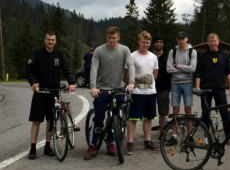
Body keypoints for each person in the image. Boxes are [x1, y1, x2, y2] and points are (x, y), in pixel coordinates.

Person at [85, 26, 135, 160]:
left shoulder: (124, 50)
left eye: (114, 38)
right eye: (109, 38)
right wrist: (93, 87)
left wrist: (131, 83)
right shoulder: (99, 51)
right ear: (106, 38)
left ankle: (111, 142)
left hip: (118, 89)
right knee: (99, 118)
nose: (111, 40)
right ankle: (93, 144)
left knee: (117, 118)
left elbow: (131, 65)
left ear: (118, 37)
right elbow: (94, 68)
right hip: (102, 89)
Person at [26, 31, 76, 159]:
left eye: (53, 40)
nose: (50, 42)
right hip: (40, 91)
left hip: (54, 92)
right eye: (48, 39)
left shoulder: (59, 54)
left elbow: (67, 69)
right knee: (36, 120)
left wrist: (71, 82)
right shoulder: (37, 54)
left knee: (51, 120)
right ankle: (33, 148)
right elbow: (29, 71)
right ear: (44, 40)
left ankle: (48, 146)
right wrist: (33, 83)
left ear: (55, 41)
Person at [195, 33, 230, 146]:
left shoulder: (225, 55)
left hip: (220, 88)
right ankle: (206, 136)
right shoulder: (202, 56)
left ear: (218, 42)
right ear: (208, 42)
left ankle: (229, 136)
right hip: (205, 89)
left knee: (225, 113)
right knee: (206, 113)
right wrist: (197, 87)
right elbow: (198, 72)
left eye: (215, 41)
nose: (213, 43)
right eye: (211, 41)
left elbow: (229, 72)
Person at [125, 31, 159, 155]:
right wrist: (131, 84)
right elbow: (126, 74)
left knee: (149, 118)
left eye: (147, 42)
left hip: (150, 91)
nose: (145, 44)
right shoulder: (132, 56)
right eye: (143, 42)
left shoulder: (153, 56)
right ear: (139, 42)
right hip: (136, 92)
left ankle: (148, 141)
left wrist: (147, 83)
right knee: (133, 118)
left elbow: (155, 74)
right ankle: (130, 143)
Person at [165, 31, 197, 146]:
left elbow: (193, 68)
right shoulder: (172, 51)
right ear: (177, 39)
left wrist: (178, 66)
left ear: (187, 39)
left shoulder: (192, 52)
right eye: (179, 38)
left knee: (188, 110)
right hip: (175, 84)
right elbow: (168, 69)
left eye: (183, 38)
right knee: (175, 110)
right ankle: (174, 135)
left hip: (188, 83)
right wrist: (185, 68)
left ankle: (189, 135)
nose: (181, 40)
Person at [153, 34, 172, 141]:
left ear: (163, 44)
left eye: (160, 42)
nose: (159, 44)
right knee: (149, 113)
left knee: (163, 112)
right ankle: (147, 137)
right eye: (157, 42)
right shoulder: (150, 56)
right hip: (150, 87)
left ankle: (162, 133)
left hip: (164, 87)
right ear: (154, 43)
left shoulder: (168, 56)